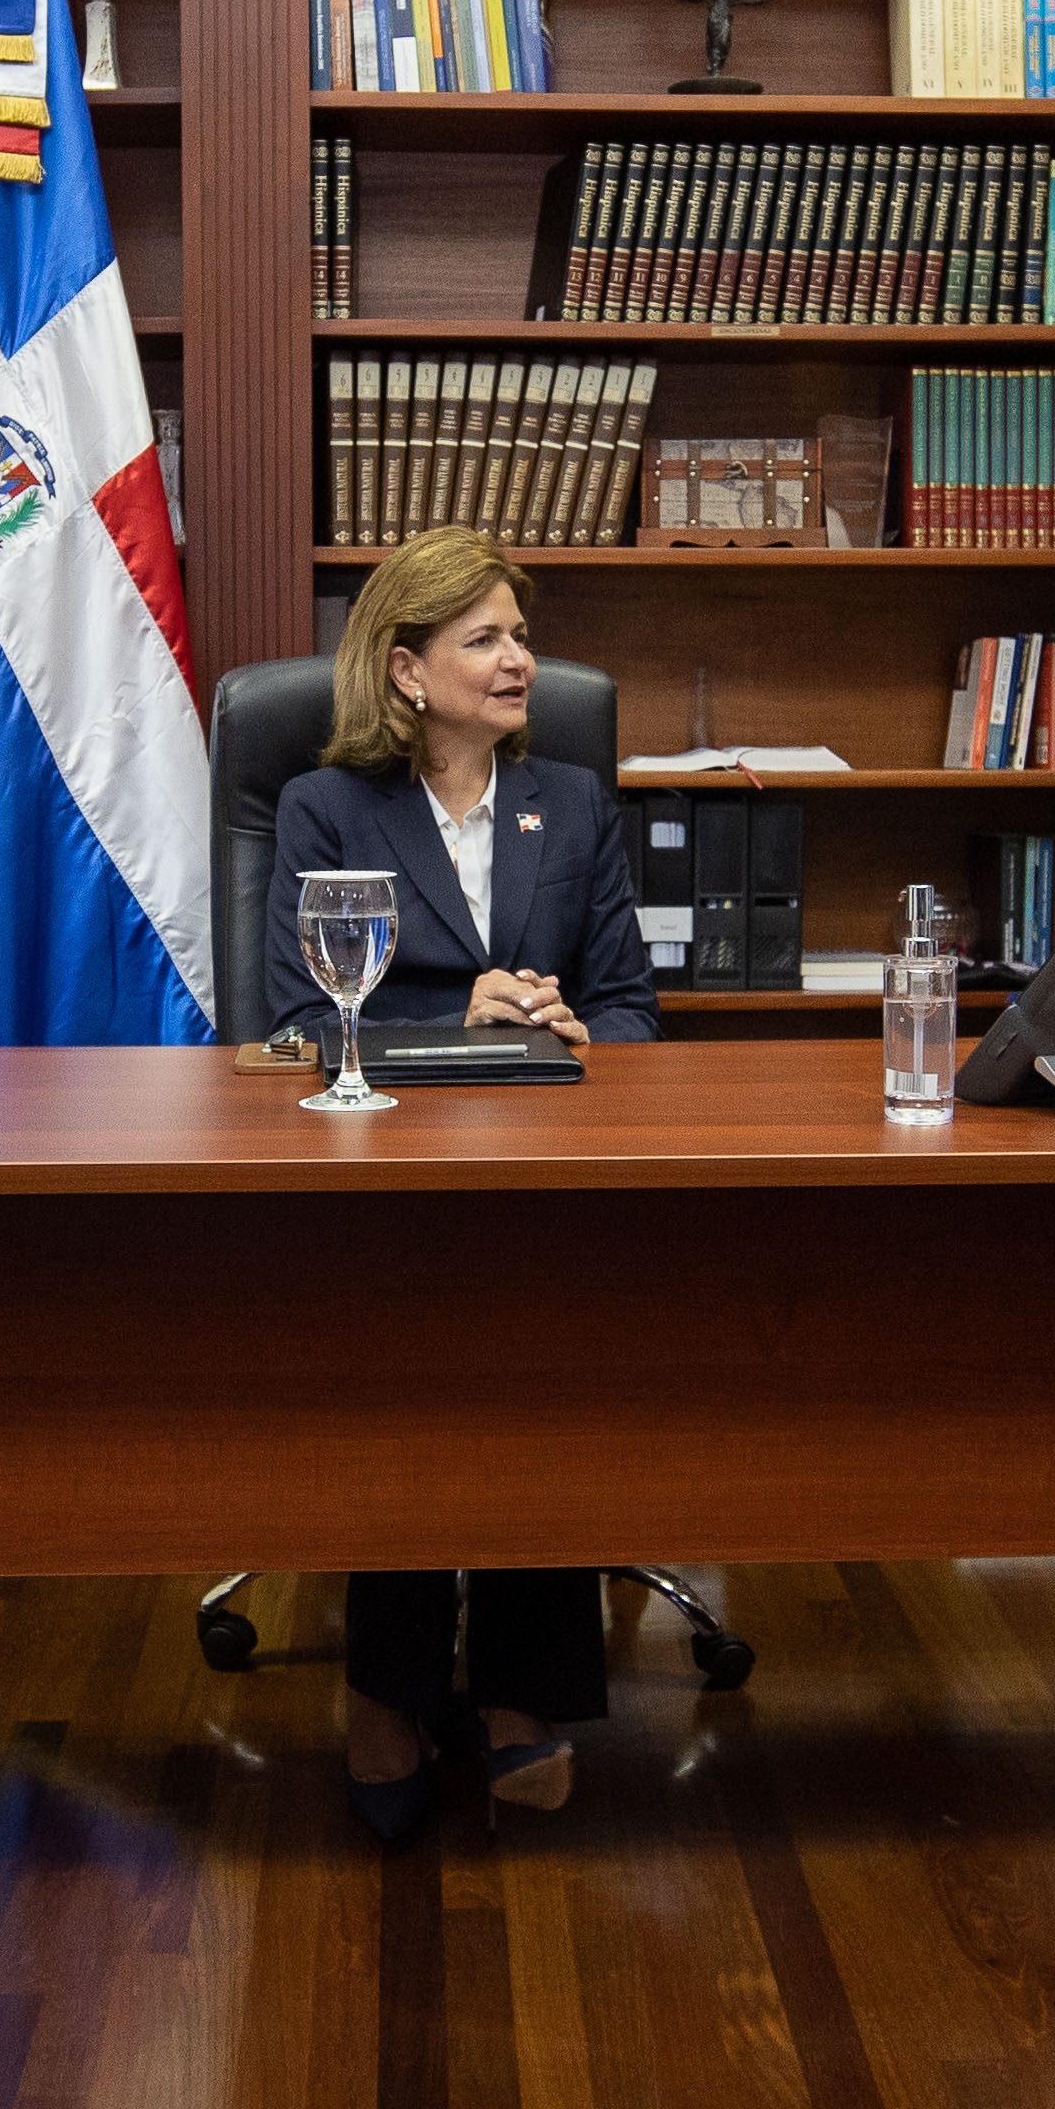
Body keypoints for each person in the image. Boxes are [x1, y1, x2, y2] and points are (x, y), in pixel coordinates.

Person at [268, 527, 655, 1838]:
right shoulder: (328, 809)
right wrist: (458, 1019)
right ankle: (386, 1685)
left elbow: (632, 1008)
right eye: (483, 637)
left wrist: (583, 1032)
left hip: (547, 1171)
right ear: (405, 668)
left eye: (520, 636)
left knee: (544, 1364)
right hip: (380, 1174)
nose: (518, 659)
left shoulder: (573, 803)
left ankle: (521, 1690)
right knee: (410, 1367)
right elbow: (292, 1024)